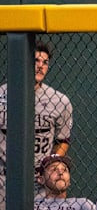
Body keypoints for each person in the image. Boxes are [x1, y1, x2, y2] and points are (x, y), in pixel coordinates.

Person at [0, 41, 73, 191]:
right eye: (36, 60)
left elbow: (62, 140)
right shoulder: (1, 95)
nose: (41, 66)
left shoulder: (60, 101)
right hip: (3, 177)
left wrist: (48, 167)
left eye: (45, 62)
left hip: (38, 182)